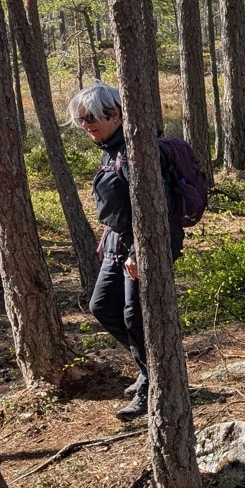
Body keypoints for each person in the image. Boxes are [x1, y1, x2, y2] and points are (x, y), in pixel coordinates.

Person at [69, 83, 181, 420]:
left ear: (116, 114)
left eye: (91, 118)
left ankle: (154, 386)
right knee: (102, 306)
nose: (86, 125)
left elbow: (154, 206)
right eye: (81, 119)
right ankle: (148, 370)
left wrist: (138, 251)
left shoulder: (135, 152)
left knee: (136, 316)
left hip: (143, 246)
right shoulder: (110, 148)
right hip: (118, 244)